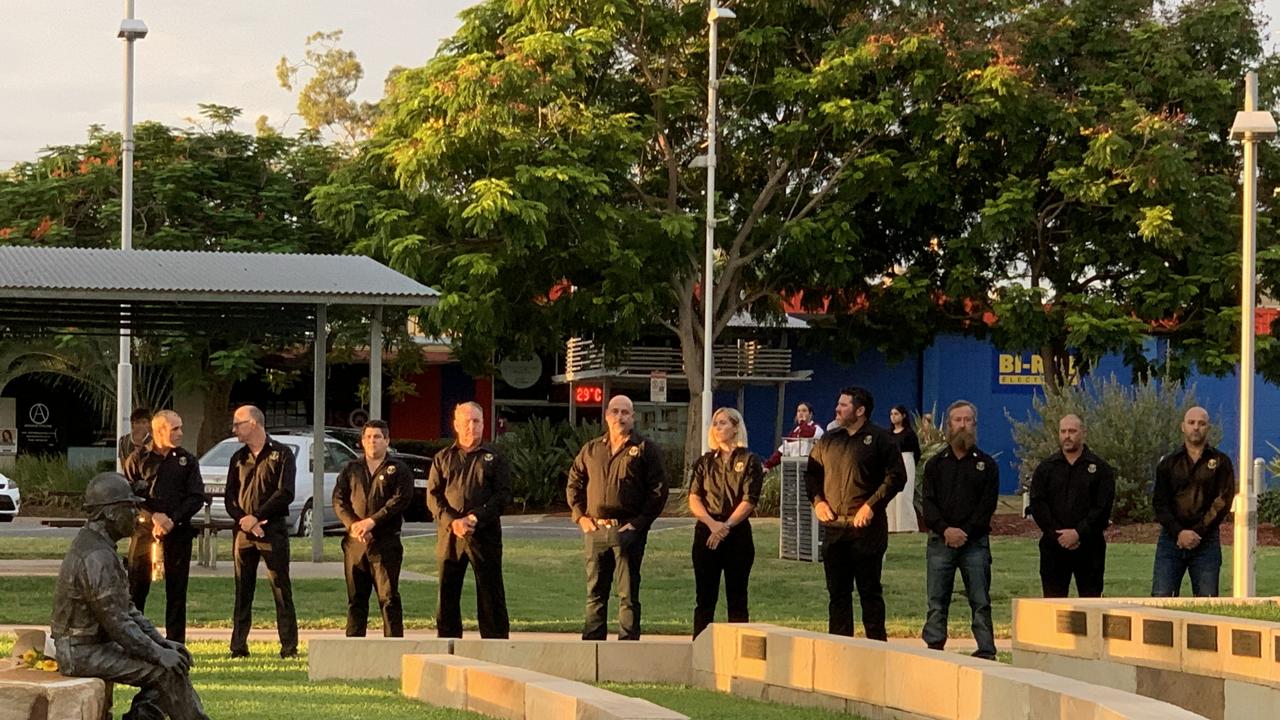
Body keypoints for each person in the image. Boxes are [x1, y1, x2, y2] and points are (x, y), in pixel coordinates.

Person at [52, 472, 209, 720]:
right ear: (112, 513)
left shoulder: (101, 547)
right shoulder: (96, 556)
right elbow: (118, 624)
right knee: (166, 672)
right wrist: (158, 654)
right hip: (80, 652)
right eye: (131, 507)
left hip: (94, 645)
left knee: (172, 664)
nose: (137, 515)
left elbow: (128, 610)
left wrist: (162, 644)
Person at [804, 386, 906, 639]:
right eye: (838, 404)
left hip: (866, 529)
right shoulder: (829, 440)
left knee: (869, 591)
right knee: (837, 593)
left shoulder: (881, 439)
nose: (837, 409)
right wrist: (818, 502)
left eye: (844, 405)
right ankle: (840, 647)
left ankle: (876, 648)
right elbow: (812, 475)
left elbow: (896, 477)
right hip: (835, 527)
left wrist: (871, 505)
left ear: (860, 410)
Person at [567, 394, 668, 640]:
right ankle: (593, 644)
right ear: (607, 416)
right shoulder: (591, 449)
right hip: (596, 531)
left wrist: (637, 525)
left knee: (628, 594)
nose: (619, 417)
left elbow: (658, 491)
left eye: (625, 412)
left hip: (627, 532)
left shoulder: (645, 449)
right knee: (595, 592)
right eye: (615, 412)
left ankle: (628, 647)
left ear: (632, 417)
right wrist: (581, 517)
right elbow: (574, 484)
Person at [919, 400, 999, 660]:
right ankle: (934, 647)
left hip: (974, 543)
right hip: (940, 542)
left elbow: (986, 506)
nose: (962, 425)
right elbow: (927, 504)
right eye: (957, 420)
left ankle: (986, 649)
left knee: (980, 600)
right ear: (948, 425)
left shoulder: (986, 465)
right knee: (937, 600)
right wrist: (946, 530)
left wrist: (964, 531)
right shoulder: (934, 465)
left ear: (974, 424)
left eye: (967, 420)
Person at [427, 402, 513, 638]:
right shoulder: (443, 458)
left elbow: (503, 496)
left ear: (484, 424)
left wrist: (476, 517)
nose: (471, 427)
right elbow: (433, 497)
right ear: (456, 425)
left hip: (484, 535)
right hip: (450, 536)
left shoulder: (495, 458)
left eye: (477, 421)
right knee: (447, 593)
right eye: (466, 421)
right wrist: (453, 521)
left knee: (490, 592)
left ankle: (495, 644)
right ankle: (448, 643)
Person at [123, 410, 206, 644]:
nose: (180, 433)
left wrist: (172, 519)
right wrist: (155, 517)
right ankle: (133, 639)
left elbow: (195, 497)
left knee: (177, 591)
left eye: (180, 428)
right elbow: (130, 496)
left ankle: (176, 642)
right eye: (175, 429)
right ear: (159, 431)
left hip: (177, 533)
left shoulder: (187, 461)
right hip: (145, 533)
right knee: (136, 588)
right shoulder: (138, 459)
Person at [224, 404, 299, 658]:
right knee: (242, 589)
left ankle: (289, 646)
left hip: (272, 530)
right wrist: (244, 519)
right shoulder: (238, 458)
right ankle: (238, 645)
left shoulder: (282, 454)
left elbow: (285, 493)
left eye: (238, 424)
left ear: (253, 423)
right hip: (244, 533)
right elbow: (230, 497)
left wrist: (258, 516)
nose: (234, 429)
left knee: (280, 587)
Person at [687, 408, 763, 638]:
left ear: (736, 427)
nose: (717, 428)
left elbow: (749, 501)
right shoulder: (705, 462)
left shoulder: (749, 460)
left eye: (722, 423)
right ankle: (700, 646)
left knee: (737, 597)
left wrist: (726, 526)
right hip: (707, 534)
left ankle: (739, 653)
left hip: (736, 535)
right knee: (704, 598)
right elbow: (694, 498)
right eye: (715, 424)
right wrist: (712, 525)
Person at [333, 419, 413, 637]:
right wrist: (354, 525)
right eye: (368, 437)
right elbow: (339, 500)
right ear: (362, 441)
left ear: (387, 440)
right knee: (356, 599)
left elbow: (400, 500)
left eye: (377, 437)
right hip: (355, 544)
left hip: (385, 543)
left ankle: (393, 646)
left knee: (388, 598)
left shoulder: (398, 470)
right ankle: (354, 647)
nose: (372, 441)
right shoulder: (351, 469)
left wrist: (372, 522)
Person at [1151, 406, 1235, 597]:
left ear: (1208, 428)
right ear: (1183, 427)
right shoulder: (1168, 463)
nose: (1196, 427)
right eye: (1191, 423)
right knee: (1162, 598)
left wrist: (1197, 532)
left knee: (1208, 601)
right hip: (1171, 540)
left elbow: (1222, 502)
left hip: (1206, 541)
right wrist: (1179, 532)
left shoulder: (1221, 462)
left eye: (1201, 423)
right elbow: (1159, 502)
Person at [1028, 414, 1115, 598]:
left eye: (1072, 431)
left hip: (1090, 547)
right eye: (1063, 431)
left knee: (1091, 605)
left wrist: (1078, 533)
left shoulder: (1101, 469)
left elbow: (1102, 508)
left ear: (1083, 433)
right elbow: (1038, 504)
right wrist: (1057, 534)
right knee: (1053, 606)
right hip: (1053, 547)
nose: (1067, 436)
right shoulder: (1046, 468)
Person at [886, 404, 921, 533]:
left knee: (904, 495)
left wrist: (910, 463)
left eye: (896, 414)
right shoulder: (888, 434)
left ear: (903, 416)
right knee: (891, 495)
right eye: (891, 414)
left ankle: (907, 526)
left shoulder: (909, 434)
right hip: (892, 463)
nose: (893, 417)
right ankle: (891, 526)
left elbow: (917, 452)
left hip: (907, 461)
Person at [762, 401, 825, 470]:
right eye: (798, 411)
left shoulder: (817, 429)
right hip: (793, 468)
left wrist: (802, 423)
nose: (801, 413)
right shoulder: (794, 432)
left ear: (810, 414)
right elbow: (782, 450)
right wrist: (767, 465)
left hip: (810, 468)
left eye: (804, 411)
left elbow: (807, 434)